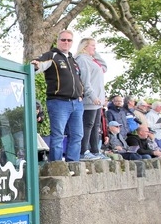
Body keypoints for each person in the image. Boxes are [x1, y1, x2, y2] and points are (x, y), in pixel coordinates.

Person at [31, 30, 84, 162]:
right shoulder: (52, 55)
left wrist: (81, 94)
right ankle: (56, 165)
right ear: (58, 40)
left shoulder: (73, 60)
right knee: (58, 135)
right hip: (58, 102)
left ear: (72, 42)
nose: (66, 42)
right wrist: (36, 65)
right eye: (63, 40)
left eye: (69, 40)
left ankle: (73, 164)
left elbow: (79, 79)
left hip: (76, 103)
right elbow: (38, 65)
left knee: (77, 135)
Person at [75, 37, 107, 160]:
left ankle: (95, 150)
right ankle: (84, 150)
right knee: (87, 124)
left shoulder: (92, 59)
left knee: (95, 125)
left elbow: (104, 67)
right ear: (85, 46)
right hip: (90, 99)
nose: (95, 48)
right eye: (92, 45)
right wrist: (92, 96)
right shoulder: (82, 59)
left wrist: (95, 52)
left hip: (98, 99)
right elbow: (85, 80)